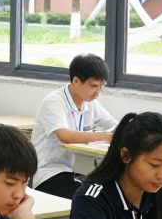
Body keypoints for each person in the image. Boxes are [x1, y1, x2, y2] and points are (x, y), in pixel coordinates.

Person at [30, 53, 116, 199]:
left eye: (102, 87)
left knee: (108, 192)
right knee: (92, 197)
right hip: (48, 174)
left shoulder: (90, 103)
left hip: (71, 172)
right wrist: (107, 137)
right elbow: (66, 136)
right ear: (76, 81)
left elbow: (114, 125)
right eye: (94, 86)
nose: (98, 92)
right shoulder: (54, 102)